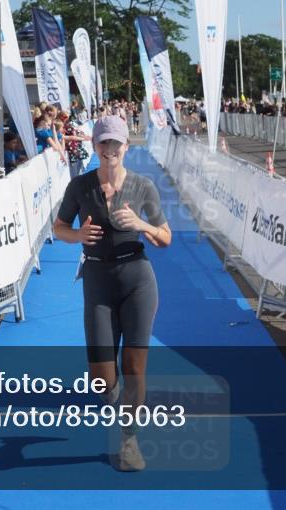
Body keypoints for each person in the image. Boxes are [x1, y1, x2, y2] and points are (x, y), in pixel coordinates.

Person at [52, 117, 172, 472]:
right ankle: (117, 400)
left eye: (116, 144)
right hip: (97, 280)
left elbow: (164, 238)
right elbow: (59, 228)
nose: (109, 151)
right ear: (95, 146)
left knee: (134, 367)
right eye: (103, 144)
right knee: (102, 378)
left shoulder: (143, 186)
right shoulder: (80, 186)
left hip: (138, 280)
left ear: (126, 147)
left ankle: (129, 439)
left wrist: (142, 225)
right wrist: (78, 237)